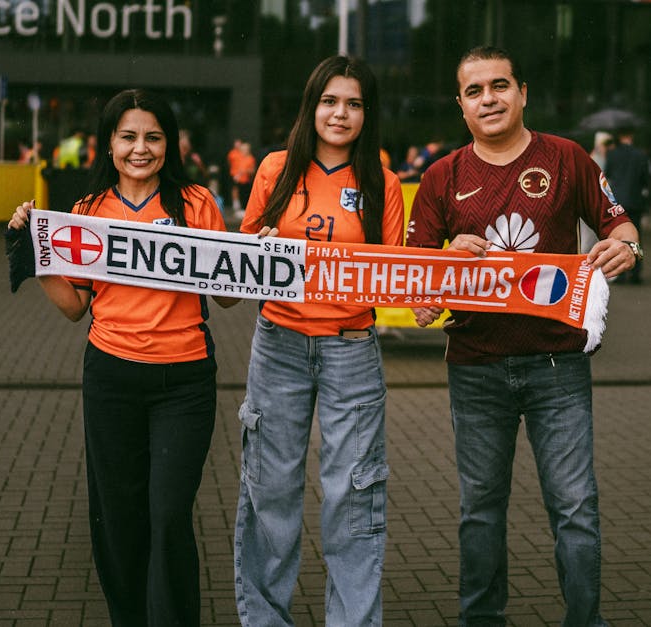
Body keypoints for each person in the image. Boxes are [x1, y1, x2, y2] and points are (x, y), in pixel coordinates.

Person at [406, 45, 639, 626]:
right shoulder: (443, 175)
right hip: (475, 367)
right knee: (480, 511)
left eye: (500, 86)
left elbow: (620, 223)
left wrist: (627, 247)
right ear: (460, 105)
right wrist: (442, 262)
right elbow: (416, 291)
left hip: (557, 367)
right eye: (475, 91)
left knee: (575, 508)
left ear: (523, 92)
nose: (490, 99)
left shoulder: (566, 158)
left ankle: (586, 621)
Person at [6, 89, 229, 625]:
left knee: (169, 514)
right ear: (109, 144)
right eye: (128, 137)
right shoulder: (87, 212)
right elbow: (74, 307)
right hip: (111, 379)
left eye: (153, 137)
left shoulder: (196, 202)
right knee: (119, 518)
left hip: (185, 381)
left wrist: (253, 255)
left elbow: (226, 294)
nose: (140, 149)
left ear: (168, 144)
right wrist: (37, 256)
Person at [234, 55, 404, 627]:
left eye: (354, 103)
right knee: (270, 492)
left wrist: (438, 291)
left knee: (353, 495)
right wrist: (256, 248)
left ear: (367, 113)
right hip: (278, 343)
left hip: (351, 349)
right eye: (330, 101)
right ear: (312, 106)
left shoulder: (384, 182)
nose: (341, 113)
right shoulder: (276, 169)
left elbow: (398, 273)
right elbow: (240, 263)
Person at [604, 126, 651, 283]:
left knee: (618, 236)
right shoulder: (641, 155)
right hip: (635, 200)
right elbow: (645, 179)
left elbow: (607, 174)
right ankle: (636, 271)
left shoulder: (612, 154)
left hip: (618, 200)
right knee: (637, 238)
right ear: (631, 137)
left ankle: (621, 272)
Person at [581, 131, 614, 253]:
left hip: (602, 202)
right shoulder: (593, 159)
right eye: (607, 144)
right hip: (592, 202)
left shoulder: (607, 158)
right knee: (588, 237)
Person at [227, 138, 257, 214]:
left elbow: (253, 170)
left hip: (246, 181)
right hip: (238, 180)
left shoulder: (251, 158)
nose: (243, 151)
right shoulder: (238, 156)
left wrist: (244, 171)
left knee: (245, 196)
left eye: (245, 149)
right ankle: (238, 208)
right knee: (237, 192)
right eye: (242, 149)